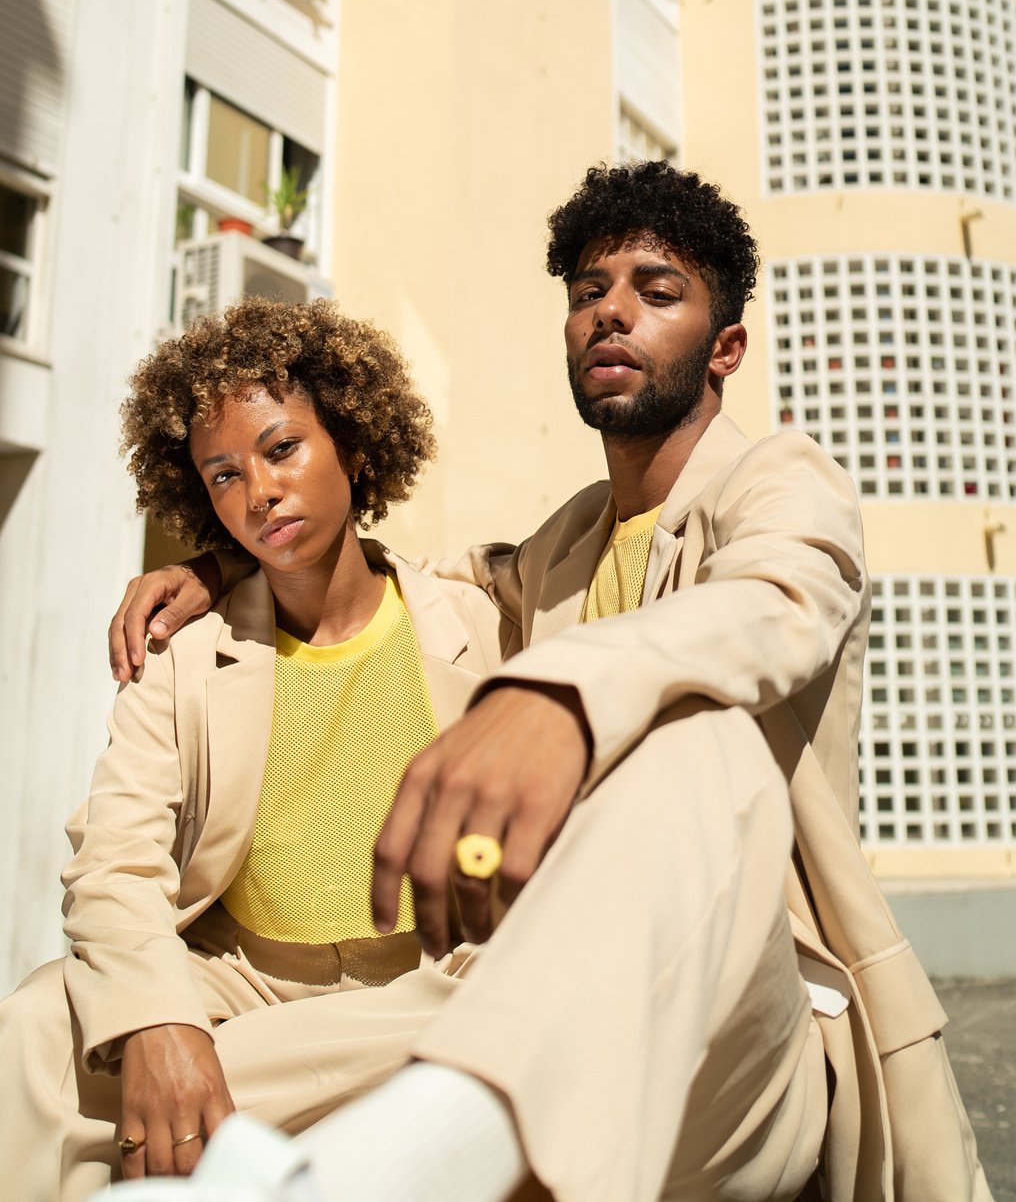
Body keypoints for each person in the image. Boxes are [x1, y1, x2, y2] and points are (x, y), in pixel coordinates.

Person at [105, 164, 992, 1202]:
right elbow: (399, 576)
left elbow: (775, 605)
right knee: (61, 1037)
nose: (610, 310)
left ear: (725, 348)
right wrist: (221, 563)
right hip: (545, 991)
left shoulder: (781, 486)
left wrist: (557, 696)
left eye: (655, 292)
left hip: (740, 1020)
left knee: (695, 737)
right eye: (586, 292)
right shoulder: (563, 546)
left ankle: (414, 1160)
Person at [0, 297, 521, 1202]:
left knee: (494, 1008)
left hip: (433, 979)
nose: (260, 492)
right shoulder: (181, 655)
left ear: (354, 448)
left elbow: (528, 559)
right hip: (247, 986)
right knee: (40, 1020)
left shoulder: (476, 622)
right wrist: (162, 1018)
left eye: (282, 450)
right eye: (223, 475)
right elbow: (114, 861)